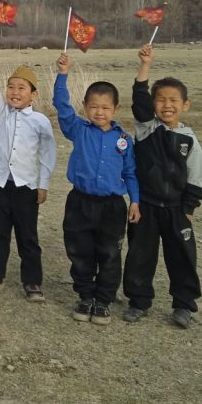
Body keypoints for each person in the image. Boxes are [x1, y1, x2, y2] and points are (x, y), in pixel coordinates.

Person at [123, 44, 202, 328]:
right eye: (160, 100)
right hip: (145, 207)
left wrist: (189, 207)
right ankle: (138, 301)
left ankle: (184, 305)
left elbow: (196, 175)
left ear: (185, 105)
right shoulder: (147, 128)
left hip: (176, 209)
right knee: (140, 256)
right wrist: (145, 65)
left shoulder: (189, 139)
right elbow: (139, 100)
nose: (166, 105)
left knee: (182, 257)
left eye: (173, 100)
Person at [54, 52, 140, 325]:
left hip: (112, 207)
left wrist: (135, 201)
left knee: (110, 253)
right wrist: (63, 73)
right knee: (80, 251)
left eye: (105, 107)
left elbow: (130, 173)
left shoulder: (123, 140)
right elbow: (61, 105)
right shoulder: (78, 129)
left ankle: (103, 301)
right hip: (80, 203)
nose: (99, 112)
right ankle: (85, 296)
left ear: (115, 109)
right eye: (93, 106)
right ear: (85, 106)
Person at [0, 44, 56, 301]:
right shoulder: (2, 113)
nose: (15, 92)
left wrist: (43, 184)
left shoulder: (40, 121)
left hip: (26, 188)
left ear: (33, 94)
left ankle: (32, 282)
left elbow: (47, 154)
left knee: (27, 236)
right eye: (11, 87)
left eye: (22, 88)